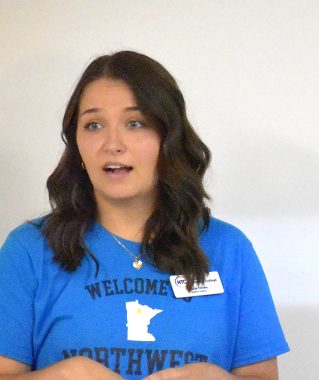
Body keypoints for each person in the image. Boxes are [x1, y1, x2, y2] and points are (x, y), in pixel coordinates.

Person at [0, 51, 289, 379]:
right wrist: (63, 376)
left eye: (134, 123)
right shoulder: (28, 250)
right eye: (93, 125)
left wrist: (216, 378)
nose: (112, 143)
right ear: (77, 145)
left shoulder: (229, 248)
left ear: (169, 139)